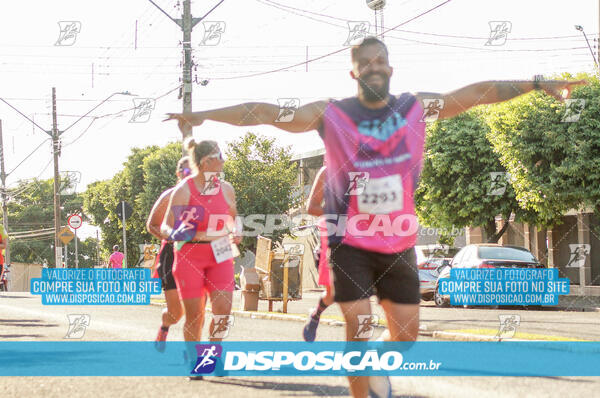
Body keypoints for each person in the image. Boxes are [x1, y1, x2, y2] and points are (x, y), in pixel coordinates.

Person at [165, 36, 585, 397]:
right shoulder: (331, 114)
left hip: (398, 240)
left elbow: (477, 93)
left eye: (379, 61)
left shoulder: (415, 107)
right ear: (353, 73)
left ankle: (379, 366)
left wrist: (535, 83)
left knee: (404, 337)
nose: (373, 67)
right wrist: (208, 114)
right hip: (348, 242)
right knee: (359, 327)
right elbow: (270, 112)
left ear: (390, 67)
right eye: (363, 63)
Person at [160, 138, 241, 377]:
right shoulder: (185, 189)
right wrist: (174, 233)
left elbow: (234, 217)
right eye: (220, 156)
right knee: (195, 314)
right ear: (207, 161)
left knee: (223, 310)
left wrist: (237, 230)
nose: (224, 161)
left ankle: (213, 356)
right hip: (189, 255)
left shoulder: (226, 189)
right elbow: (166, 225)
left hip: (221, 253)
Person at [146, 156, 191, 352]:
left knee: (195, 310)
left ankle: (193, 352)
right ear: (178, 174)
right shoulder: (170, 195)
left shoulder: (206, 196)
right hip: (171, 254)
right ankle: (164, 327)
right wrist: (173, 237)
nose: (190, 177)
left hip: (198, 255)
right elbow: (152, 224)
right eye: (186, 172)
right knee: (176, 312)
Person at [302, 166, 334, 342]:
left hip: (362, 237)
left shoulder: (370, 170)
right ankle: (316, 315)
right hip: (333, 236)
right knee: (333, 294)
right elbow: (312, 207)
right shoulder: (327, 172)